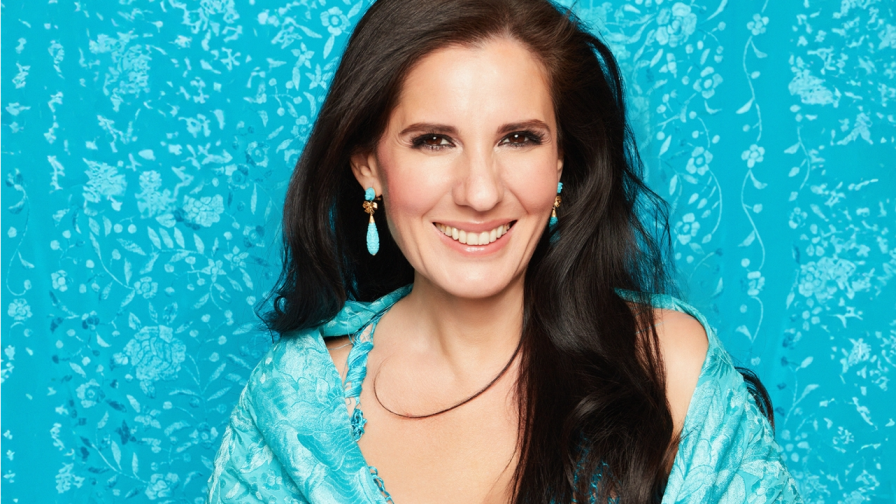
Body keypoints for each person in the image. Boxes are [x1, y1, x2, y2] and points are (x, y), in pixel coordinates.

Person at [205, 0, 803, 502]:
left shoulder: (667, 367)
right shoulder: (295, 407)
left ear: (561, 159)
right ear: (368, 165)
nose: (481, 193)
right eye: (433, 141)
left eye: (518, 138)